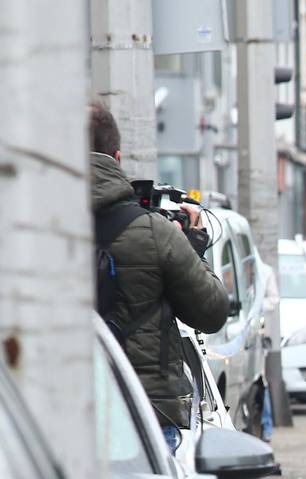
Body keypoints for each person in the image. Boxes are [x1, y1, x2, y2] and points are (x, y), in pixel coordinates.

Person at [88, 102, 231, 451]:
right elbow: (211, 311)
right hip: (143, 414)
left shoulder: (31, 226)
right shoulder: (153, 232)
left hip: (52, 416)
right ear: (117, 158)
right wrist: (193, 246)